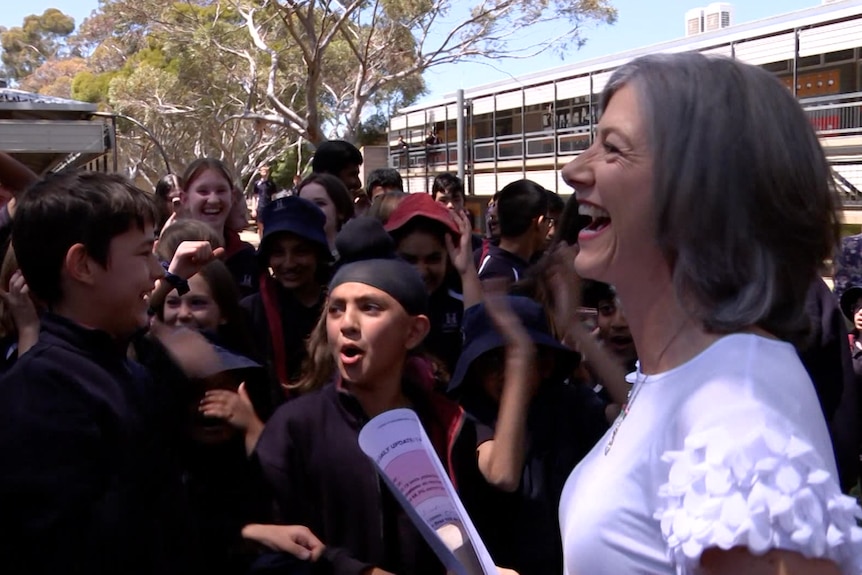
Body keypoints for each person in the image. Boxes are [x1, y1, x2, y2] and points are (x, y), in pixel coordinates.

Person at [558, 52, 862, 574]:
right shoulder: (683, 375)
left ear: (703, 193)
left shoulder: (737, 412)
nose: (573, 170)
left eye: (612, 148)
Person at [0, 171, 221, 574]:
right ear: (83, 265)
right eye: (142, 255)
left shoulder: (117, 365)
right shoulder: (40, 395)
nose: (157, 272)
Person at [252, 216, 491, 575]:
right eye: (336, 309)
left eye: (370, 308)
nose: (347, 323)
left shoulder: (447, 425)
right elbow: (263, 547)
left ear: (414, 331)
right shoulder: (295, 427)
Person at [241, 196, 331, 395]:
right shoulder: (252, 312)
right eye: (278, 253)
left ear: (318, 253)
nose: (289, 264)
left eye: (301, 251)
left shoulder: (340, 305)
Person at [179, 158, 259, 296]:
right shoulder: (169, 256)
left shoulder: (248, 257)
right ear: (184, 199)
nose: (213, 200)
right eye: (203, 191)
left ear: (232, 196)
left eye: (221, 190)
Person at [477, 180, 550, 285]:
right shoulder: (498, 275)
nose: (549, 227)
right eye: (549, 221)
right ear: (539, 222)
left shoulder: (517, 265)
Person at [296, 173, 355, 257]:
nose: (310, 209)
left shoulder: (356, 256)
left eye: (319, 203)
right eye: (304, 205)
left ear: (340, 210)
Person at [253, 165, 278, 236]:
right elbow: (255, 197)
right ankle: (261, 242)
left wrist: (275, 207)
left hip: (269, 207)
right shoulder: (257, 184)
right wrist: (253, 209)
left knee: (269, 225)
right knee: (260, 226)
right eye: (263, 171)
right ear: (260, 172)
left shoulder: (271, 184)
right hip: (260, 207)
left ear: (268, 173)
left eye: (266, 171)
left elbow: (274, 197)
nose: (265, 173)